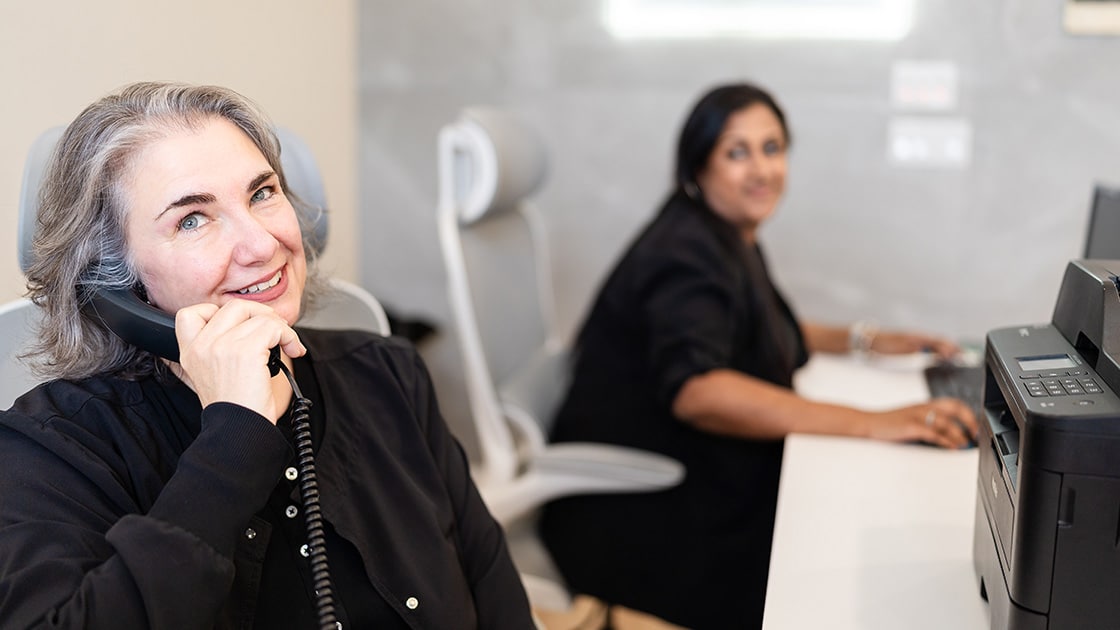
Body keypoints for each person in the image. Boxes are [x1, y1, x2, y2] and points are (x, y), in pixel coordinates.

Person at [0, 82, 534, 629]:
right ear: (116, 281)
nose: (262, 244)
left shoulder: (386, 372)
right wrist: (235, 435)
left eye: (262, 193)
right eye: (192, 219)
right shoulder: (49, 450)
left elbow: (494, 592)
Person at [538, 82, 980, 630]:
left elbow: (760, 329)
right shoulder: (684, 255)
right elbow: (698, 390)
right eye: (736, 152)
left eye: (772, 149)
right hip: (638, 515)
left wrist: (865, 339)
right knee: (840, 552)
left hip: (678, 477)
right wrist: (874, 423)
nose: (761, 171)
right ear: (697, 167)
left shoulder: (721, 234)